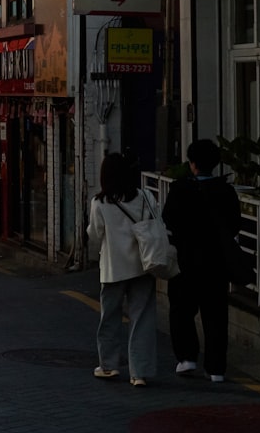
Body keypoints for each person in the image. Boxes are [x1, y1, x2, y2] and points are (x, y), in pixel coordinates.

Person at [162, 138, 242, 383]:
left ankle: (187, 357)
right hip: (216, 262)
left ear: (192, 163)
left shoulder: (180, 189)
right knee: (216, 314)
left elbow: (168, 220)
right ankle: (216, 369)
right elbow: (234, 225)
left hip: (185, 259)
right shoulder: (226, 191)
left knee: (181, 309)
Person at [87, 152, 158, 387]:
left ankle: (108, 366)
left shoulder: (100, 203)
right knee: (142, 319)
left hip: (113, 269)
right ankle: (139, 372)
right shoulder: (146, 196)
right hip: (143, 265)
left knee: (110, 317)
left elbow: (95, 235)